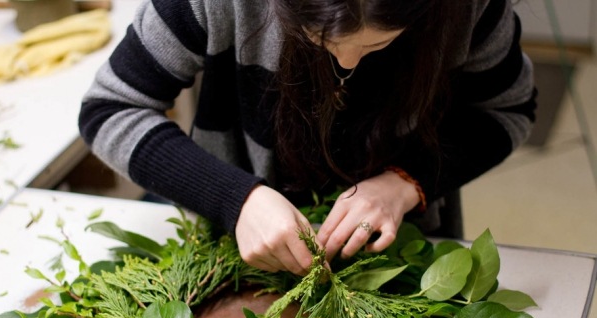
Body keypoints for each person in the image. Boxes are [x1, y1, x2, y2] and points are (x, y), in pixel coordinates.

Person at [78, 0, 536, 276]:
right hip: (227, 251)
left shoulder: (474, 7)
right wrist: (237, 200)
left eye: (378, 44)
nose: (349, 63)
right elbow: (110, 109)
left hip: (405, 250)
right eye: (320, 38)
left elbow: (508, 109)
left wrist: (403, 182)